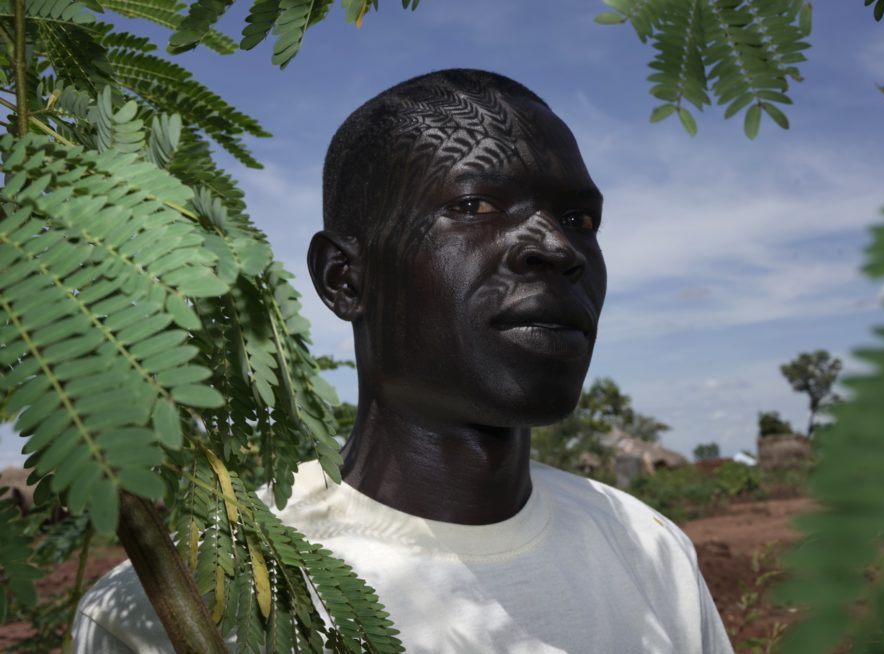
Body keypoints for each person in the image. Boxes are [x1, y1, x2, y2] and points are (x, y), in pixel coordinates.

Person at [73, 69, 734, 653]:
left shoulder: (649, 550)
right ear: (343, 279)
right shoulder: (175, 607)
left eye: (581, 221)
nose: (558, 248)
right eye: (474, 205)